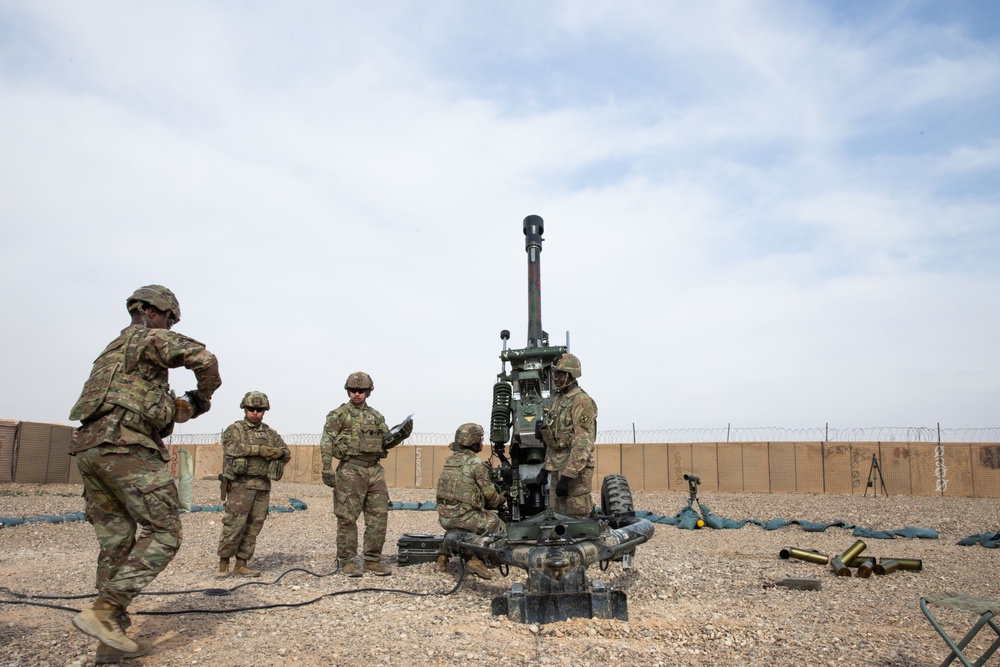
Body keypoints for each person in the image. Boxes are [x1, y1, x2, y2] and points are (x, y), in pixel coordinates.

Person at [68, 285, 221, 662]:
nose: (169, 326)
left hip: (90, 450)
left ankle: (111, 640)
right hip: (126, 447)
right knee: (165, 533)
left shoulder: (112, 351)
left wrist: (183, 407)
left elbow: (153, 404)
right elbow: (205, 359)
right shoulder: (152, 337)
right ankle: (105, 611)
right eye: (169, 319)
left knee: (117, 543)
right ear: (155, 312)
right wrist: (204, 394)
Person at [320, 372, 412, 577]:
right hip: (350, 470)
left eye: (361, 391)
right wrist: (326, 467)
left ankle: (372, 561)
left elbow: (385, 441)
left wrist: (402, 434)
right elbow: (327, 440)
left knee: (378, 517)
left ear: (368, 392)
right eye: (353, 390)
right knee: (347, 518)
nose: (356, 394)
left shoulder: (376, 416)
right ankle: (347, 562)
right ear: (348, 391)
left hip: (374, 470)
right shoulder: (339, 415)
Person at [215, 391, 290, 579]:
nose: (255, 413)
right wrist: (259, 450)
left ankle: (242, 563)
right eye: (252, 409)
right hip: (240, 485)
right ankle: (223, 562)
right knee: (234, 524)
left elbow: (285, 451)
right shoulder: (235, 429)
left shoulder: (270, 433)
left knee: (254, 526)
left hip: (262, 486)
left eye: (259, 410)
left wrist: (277, 453)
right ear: (245, 409)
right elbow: (231, 448)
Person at [434, 423, 505, 579]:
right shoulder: (475, 464)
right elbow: (491, 498)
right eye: (480, 439)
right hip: (463, 518)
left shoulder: (450, 461)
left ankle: (442, 558)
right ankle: (477, 560)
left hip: (445, 517)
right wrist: (502, 498)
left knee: (459, 530)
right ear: (474, 441)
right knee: (497, 524)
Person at [537, 353, 597, 518]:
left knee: (577, 517)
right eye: (555, 374)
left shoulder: (582, 402)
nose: (555, 378)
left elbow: (582, 443)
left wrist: (568, 475)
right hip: (558, 468)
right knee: (557, 516)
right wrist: (545, 468)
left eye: (560, 374)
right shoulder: (558, 400)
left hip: (575, 472)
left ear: (571, 375)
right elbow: (555, 441)